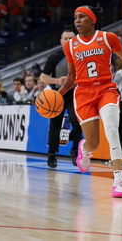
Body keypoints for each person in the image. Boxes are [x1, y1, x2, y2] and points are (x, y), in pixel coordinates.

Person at [57, 5, 122, 198]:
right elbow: (70, 77)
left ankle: (118, 181)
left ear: (92, 20)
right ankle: (84, 150)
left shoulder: (107, 38)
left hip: (106, 89)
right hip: (84, 93)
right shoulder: (70, 45)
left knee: (112, 130)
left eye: (81, 17)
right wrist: (56, 95)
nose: (77, 20)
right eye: (75, 17)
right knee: (94, 144)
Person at [40, 29, 83, 168]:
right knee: (55, 126)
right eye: (66, 38)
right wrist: (58, 81)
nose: (69, 41)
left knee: (77, 122)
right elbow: (43, 77)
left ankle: (75, 150)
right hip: (58, 94)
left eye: (72, 38)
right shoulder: (55, 57)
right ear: (61, 41)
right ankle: (52, 153)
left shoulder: (82, 56)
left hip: (75, 94)